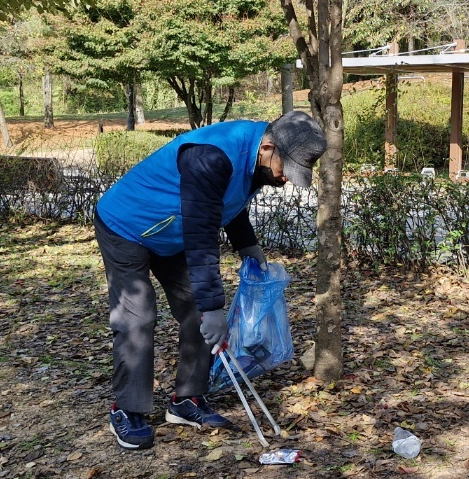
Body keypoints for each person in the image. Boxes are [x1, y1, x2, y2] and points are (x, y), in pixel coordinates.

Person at [94, 111, 326, 450]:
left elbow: (229, 203)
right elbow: (202, 234)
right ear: (268, 147)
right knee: (137, 315)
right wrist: (214, 307)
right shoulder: (211, 156)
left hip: (170, 232)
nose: (286, 178)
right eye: (286, 168)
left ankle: (186, 400)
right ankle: (127, 410)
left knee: (194, 309)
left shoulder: (254, 158)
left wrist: (248, 246)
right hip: (127, 226)